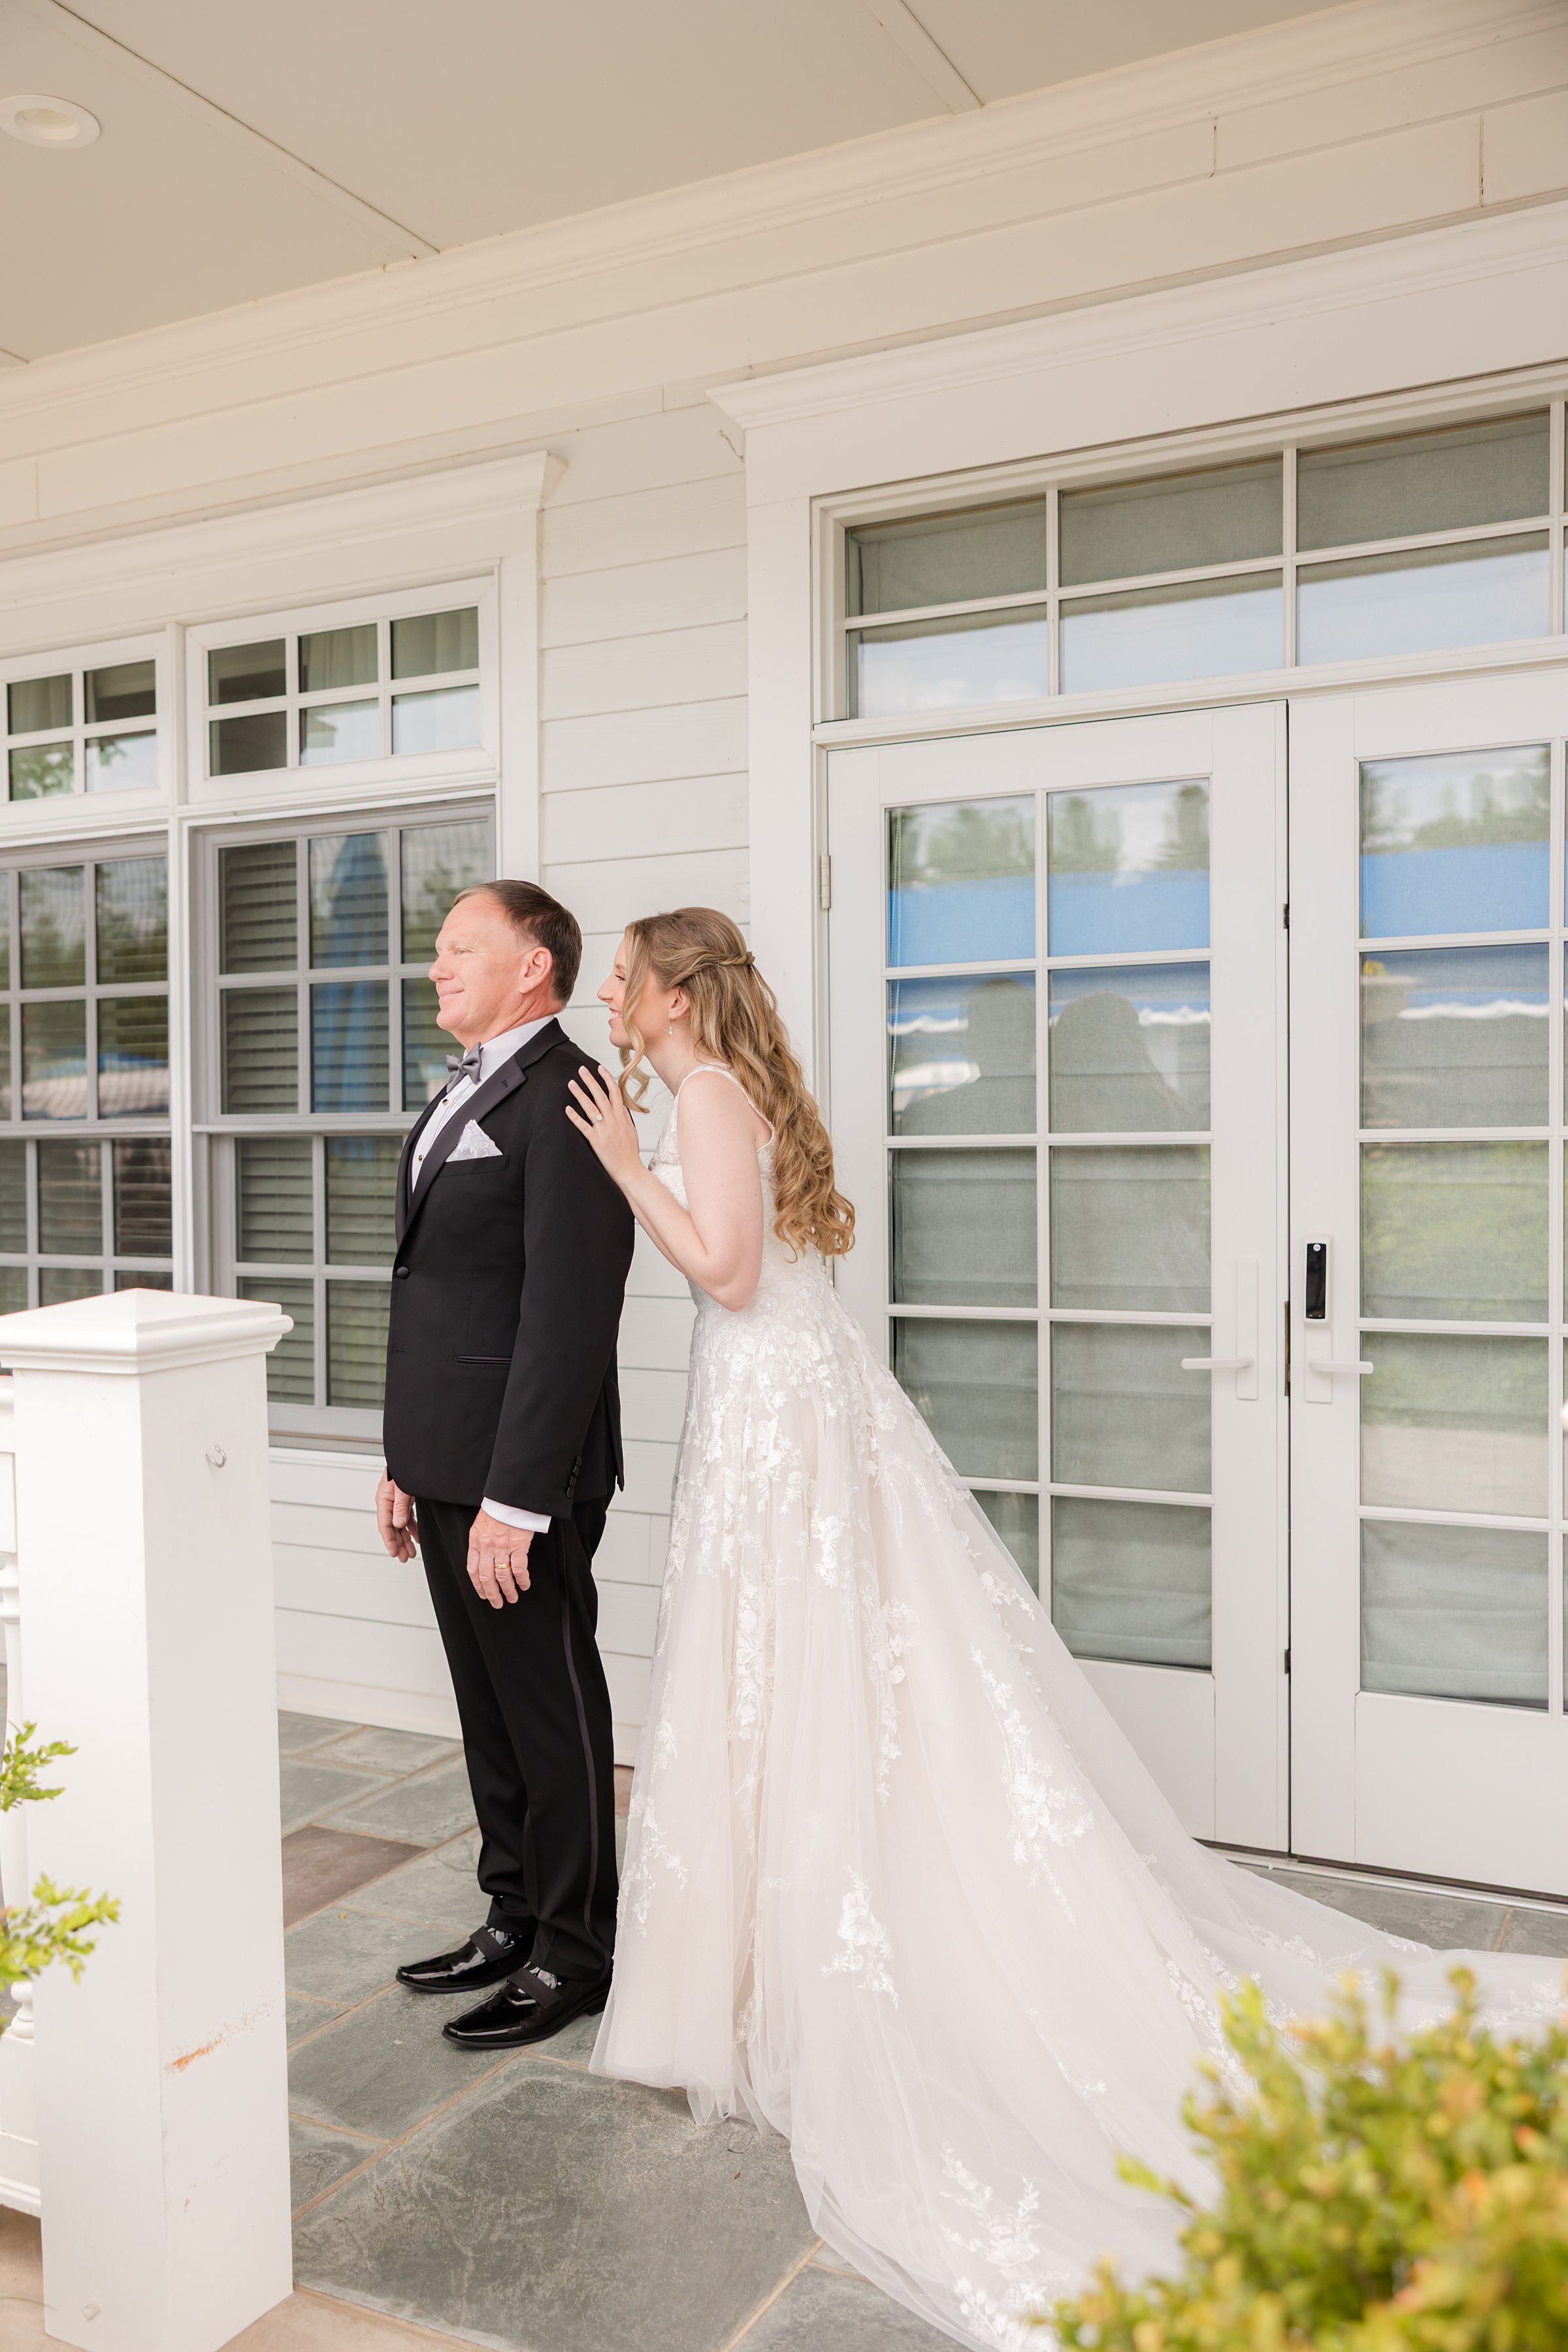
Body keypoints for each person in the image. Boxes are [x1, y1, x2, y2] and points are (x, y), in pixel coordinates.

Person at [569, 905, 1562, 2351]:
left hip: (774, 1409)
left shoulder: (711, 1093)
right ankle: (757, 1965)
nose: (613, 990)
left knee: (784, 1680)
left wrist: (619, 1168)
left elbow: (725, 1271)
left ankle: (792, 1978)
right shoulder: (729, 1089)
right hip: (780, 1401)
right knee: (791, 1683)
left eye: (623, 973)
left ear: (671, 993)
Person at [375, 881, 634, 2050]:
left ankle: (577, 1952)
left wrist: (515, 1500)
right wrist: (404, 1458)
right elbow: (433, 1289)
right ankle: (513, 1913)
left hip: (519, 1480)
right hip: (442, 1462)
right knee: (485, 1709)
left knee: (550, 1706)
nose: (437, 968)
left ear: (535, 966)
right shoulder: (465, 1085)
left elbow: (567, 1317)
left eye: (459, 950)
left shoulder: (569, 1093)